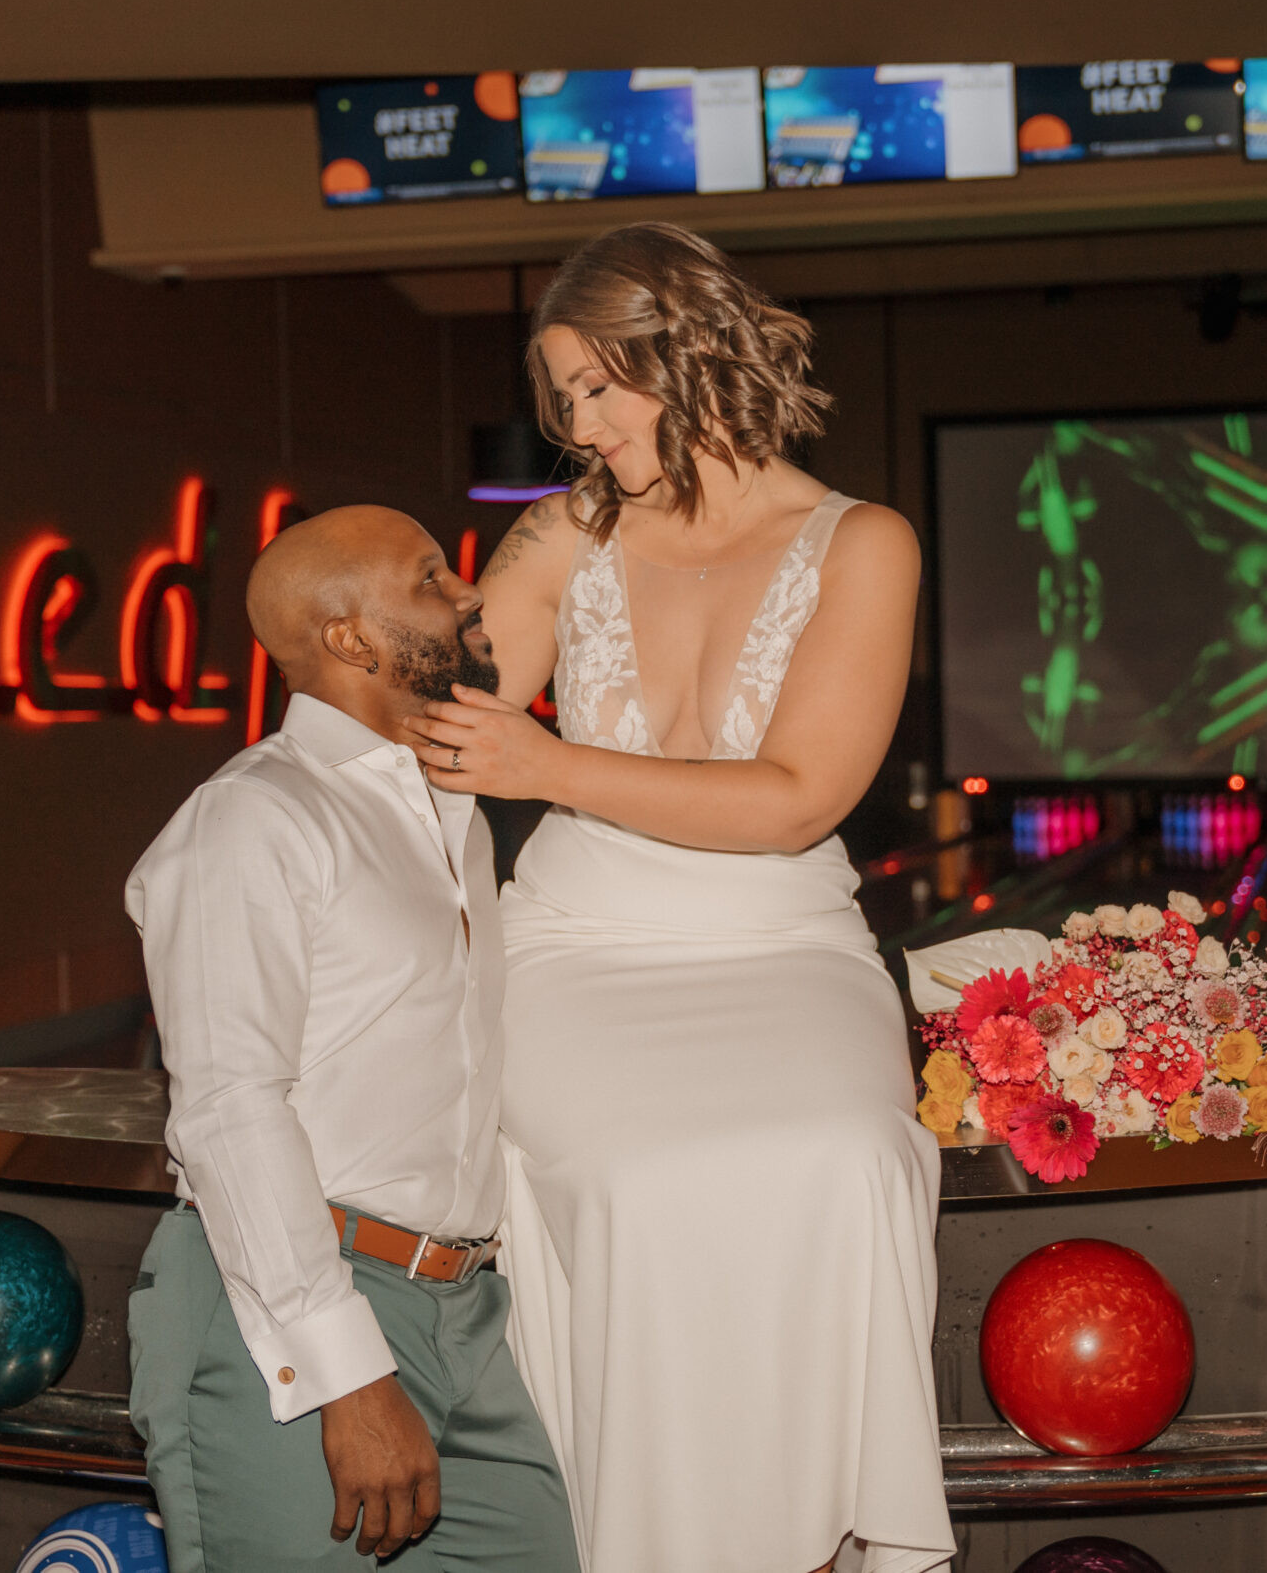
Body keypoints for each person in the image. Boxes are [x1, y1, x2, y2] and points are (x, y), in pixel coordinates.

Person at [400, 223, 953, 1573]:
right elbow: (452, 720)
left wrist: (543, 760)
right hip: (582, 940)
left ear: (689, 351)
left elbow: (795, 797)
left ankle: (811, 1535)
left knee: (846, 1155)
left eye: (599, 385)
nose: (579, 426)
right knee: (631, 1180)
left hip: (780, 940)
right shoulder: (560, 538)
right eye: (563, 398)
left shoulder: (862, 542)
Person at [125, 507, 580, 1573]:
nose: (469, 591)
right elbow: (230, 1106)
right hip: (294, 1306)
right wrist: (346, 1373)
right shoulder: (254, 818)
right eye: (429, 578)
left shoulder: (446, 808)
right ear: (351, 640)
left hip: (463, 1312)